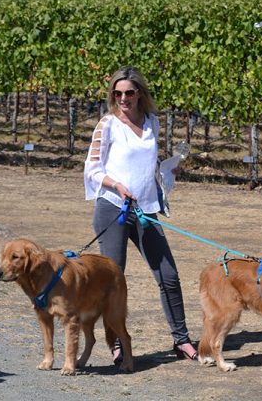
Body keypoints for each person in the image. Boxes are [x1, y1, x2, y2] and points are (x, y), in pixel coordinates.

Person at [83, 66, 198, 365]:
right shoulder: (107, 125)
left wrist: (168, 169)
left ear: (140, 94)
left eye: (129, 92)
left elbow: (148, 165)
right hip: (114, 208)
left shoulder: (152, 124)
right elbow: (92, 169)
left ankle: (181, 339)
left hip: (146, 209)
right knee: (114, 279)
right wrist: (118, 186)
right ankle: (117, 344)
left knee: (169, 276)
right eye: (117, 93)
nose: (123, 98)